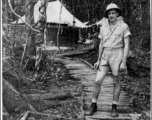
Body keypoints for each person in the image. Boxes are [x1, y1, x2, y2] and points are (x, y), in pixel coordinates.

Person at [88, 3, 131, 117]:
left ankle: (114, 106)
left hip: (117, 54)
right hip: (105, 56)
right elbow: (101, 44)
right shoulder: (103, 27)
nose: (111, 15)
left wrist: (124, 62)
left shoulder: (123, 26)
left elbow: (126, 45)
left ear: (117, 14)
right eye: (109, 13)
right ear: (107, 15)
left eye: (113, 13)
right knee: (97, 80)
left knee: (116, 81)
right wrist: (98, 60)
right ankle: (93, 104)